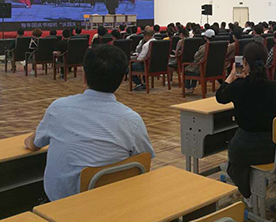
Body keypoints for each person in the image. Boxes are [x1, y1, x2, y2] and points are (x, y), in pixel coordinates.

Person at [24, 45, 155, 201]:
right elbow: (144, 161)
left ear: (84, 76)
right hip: (113, 203)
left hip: (59, 206)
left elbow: (33, 144)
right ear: (122, 79)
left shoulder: (58, 108)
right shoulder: (132, 121)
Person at [216, 42, 276, 203]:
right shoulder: (275, 87)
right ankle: (249, 186)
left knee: (234, 146)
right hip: (272, 148)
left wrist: (232, 76)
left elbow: (220, 97)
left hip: (244, 149)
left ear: (244, 62)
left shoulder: (238, 87)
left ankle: (246, 190)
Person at [184, 29, 215, 94]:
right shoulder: (217, 46)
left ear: (205, 38)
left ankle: (188, 88)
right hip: (214, 69)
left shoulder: (204, 47)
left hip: (202, 69)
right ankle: (192, 87)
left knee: (187, 69)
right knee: (194, 68)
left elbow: (196, 57)